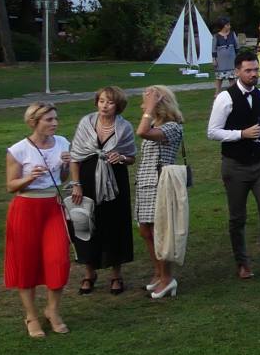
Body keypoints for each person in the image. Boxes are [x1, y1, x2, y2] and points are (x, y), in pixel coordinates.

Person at [206, 50, 260, 280]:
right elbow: (212, 132)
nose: (253, 74)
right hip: (235, 164)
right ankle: (242, 264)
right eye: (248, 70)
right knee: (237, 217)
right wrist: (241, 134)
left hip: (259, 163)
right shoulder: (225, 98)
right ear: (237, 71)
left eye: (256, 70)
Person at [2, 101, 72, 338]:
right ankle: (31, 316)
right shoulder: (18, 150)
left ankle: (52, 310)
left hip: (53, 206)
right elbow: (11, 186)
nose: (55, 123)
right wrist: (29, 177)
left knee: (58, 259)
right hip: (26, 208)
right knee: (26, 262)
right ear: (34, 122)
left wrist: (65, 165)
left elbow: (63, 177)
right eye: (49, 119)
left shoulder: (62, 142)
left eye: (55, 119)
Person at [67, 87, 138, 293]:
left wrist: (121, 157)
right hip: (87, 179)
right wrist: (76, 184)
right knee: (86, 223)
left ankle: (116, 275)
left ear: (118, 106)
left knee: (115, 224)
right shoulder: (86, 123)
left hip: (115, 183)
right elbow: (75, 156)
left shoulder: (124, 127)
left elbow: (131, 157)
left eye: (110, 102)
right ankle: (89, 273)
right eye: (101, 101)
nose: (104, 106)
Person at [133, 85, 186, 299]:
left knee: (159, 232)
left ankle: (167, 278)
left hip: (160, 183)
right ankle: (158, 273)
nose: (142, 106)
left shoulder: (172, 127)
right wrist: (150, 110)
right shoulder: (156, 124)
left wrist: (149, 108)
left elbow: (142, 132)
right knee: (145, 230)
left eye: (146, 102)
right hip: (146, 183)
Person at [212, 20, 238, 89]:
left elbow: (237, 46)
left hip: (231, 61)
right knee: (219, 79)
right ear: (223, 26)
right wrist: (214, 59)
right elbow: (213, 49)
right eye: (228, 25)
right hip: (220, 61)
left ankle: (233, 93)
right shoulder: (216, 36)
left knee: (232, 79)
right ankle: (217, 93)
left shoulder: (232, 34)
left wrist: (237, 57)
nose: (230, 26)